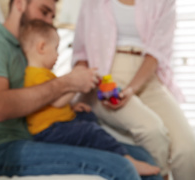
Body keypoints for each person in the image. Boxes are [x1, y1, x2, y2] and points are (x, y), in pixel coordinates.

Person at [0, 0, 163, 180]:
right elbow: (0, 107)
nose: (49, 21)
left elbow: (35, 97)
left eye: (52, 15)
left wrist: (69, 105)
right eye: (44, 11)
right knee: (121, 167)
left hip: (31, 137)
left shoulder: (27, 50)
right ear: (19, 3)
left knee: (143, 157)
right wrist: (68, 82)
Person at [71, 0, 195, 180]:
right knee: (153, 131)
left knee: (188, 149)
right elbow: (81, 53)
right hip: (106, 79)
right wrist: (79, 93)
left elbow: (156, 53)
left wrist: (131, 89)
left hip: (147, 77)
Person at [19, 19, 160, 176]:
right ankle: (126, 158)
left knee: (87, 115)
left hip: (56, 123)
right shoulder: (35, 75)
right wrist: (75, 84)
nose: (58, 55)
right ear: (42, 47)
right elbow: (58, 101)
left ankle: (99, 145)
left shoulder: (42, 74)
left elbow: (50, 104)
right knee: (90, 130)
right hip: (50, 130)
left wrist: (72, 106)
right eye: (56, 49)